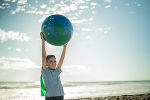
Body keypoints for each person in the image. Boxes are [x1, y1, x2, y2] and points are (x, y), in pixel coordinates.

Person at [40, 32, 67, 100]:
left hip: (60, 95)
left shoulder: (57, 70)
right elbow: (44, 57)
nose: (54, 63)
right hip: (50, 97)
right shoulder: (45, 71)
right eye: (51, 61)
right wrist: (43, 42)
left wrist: (65, 47)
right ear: (46, 63)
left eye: (55, 61)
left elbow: (62, 59)